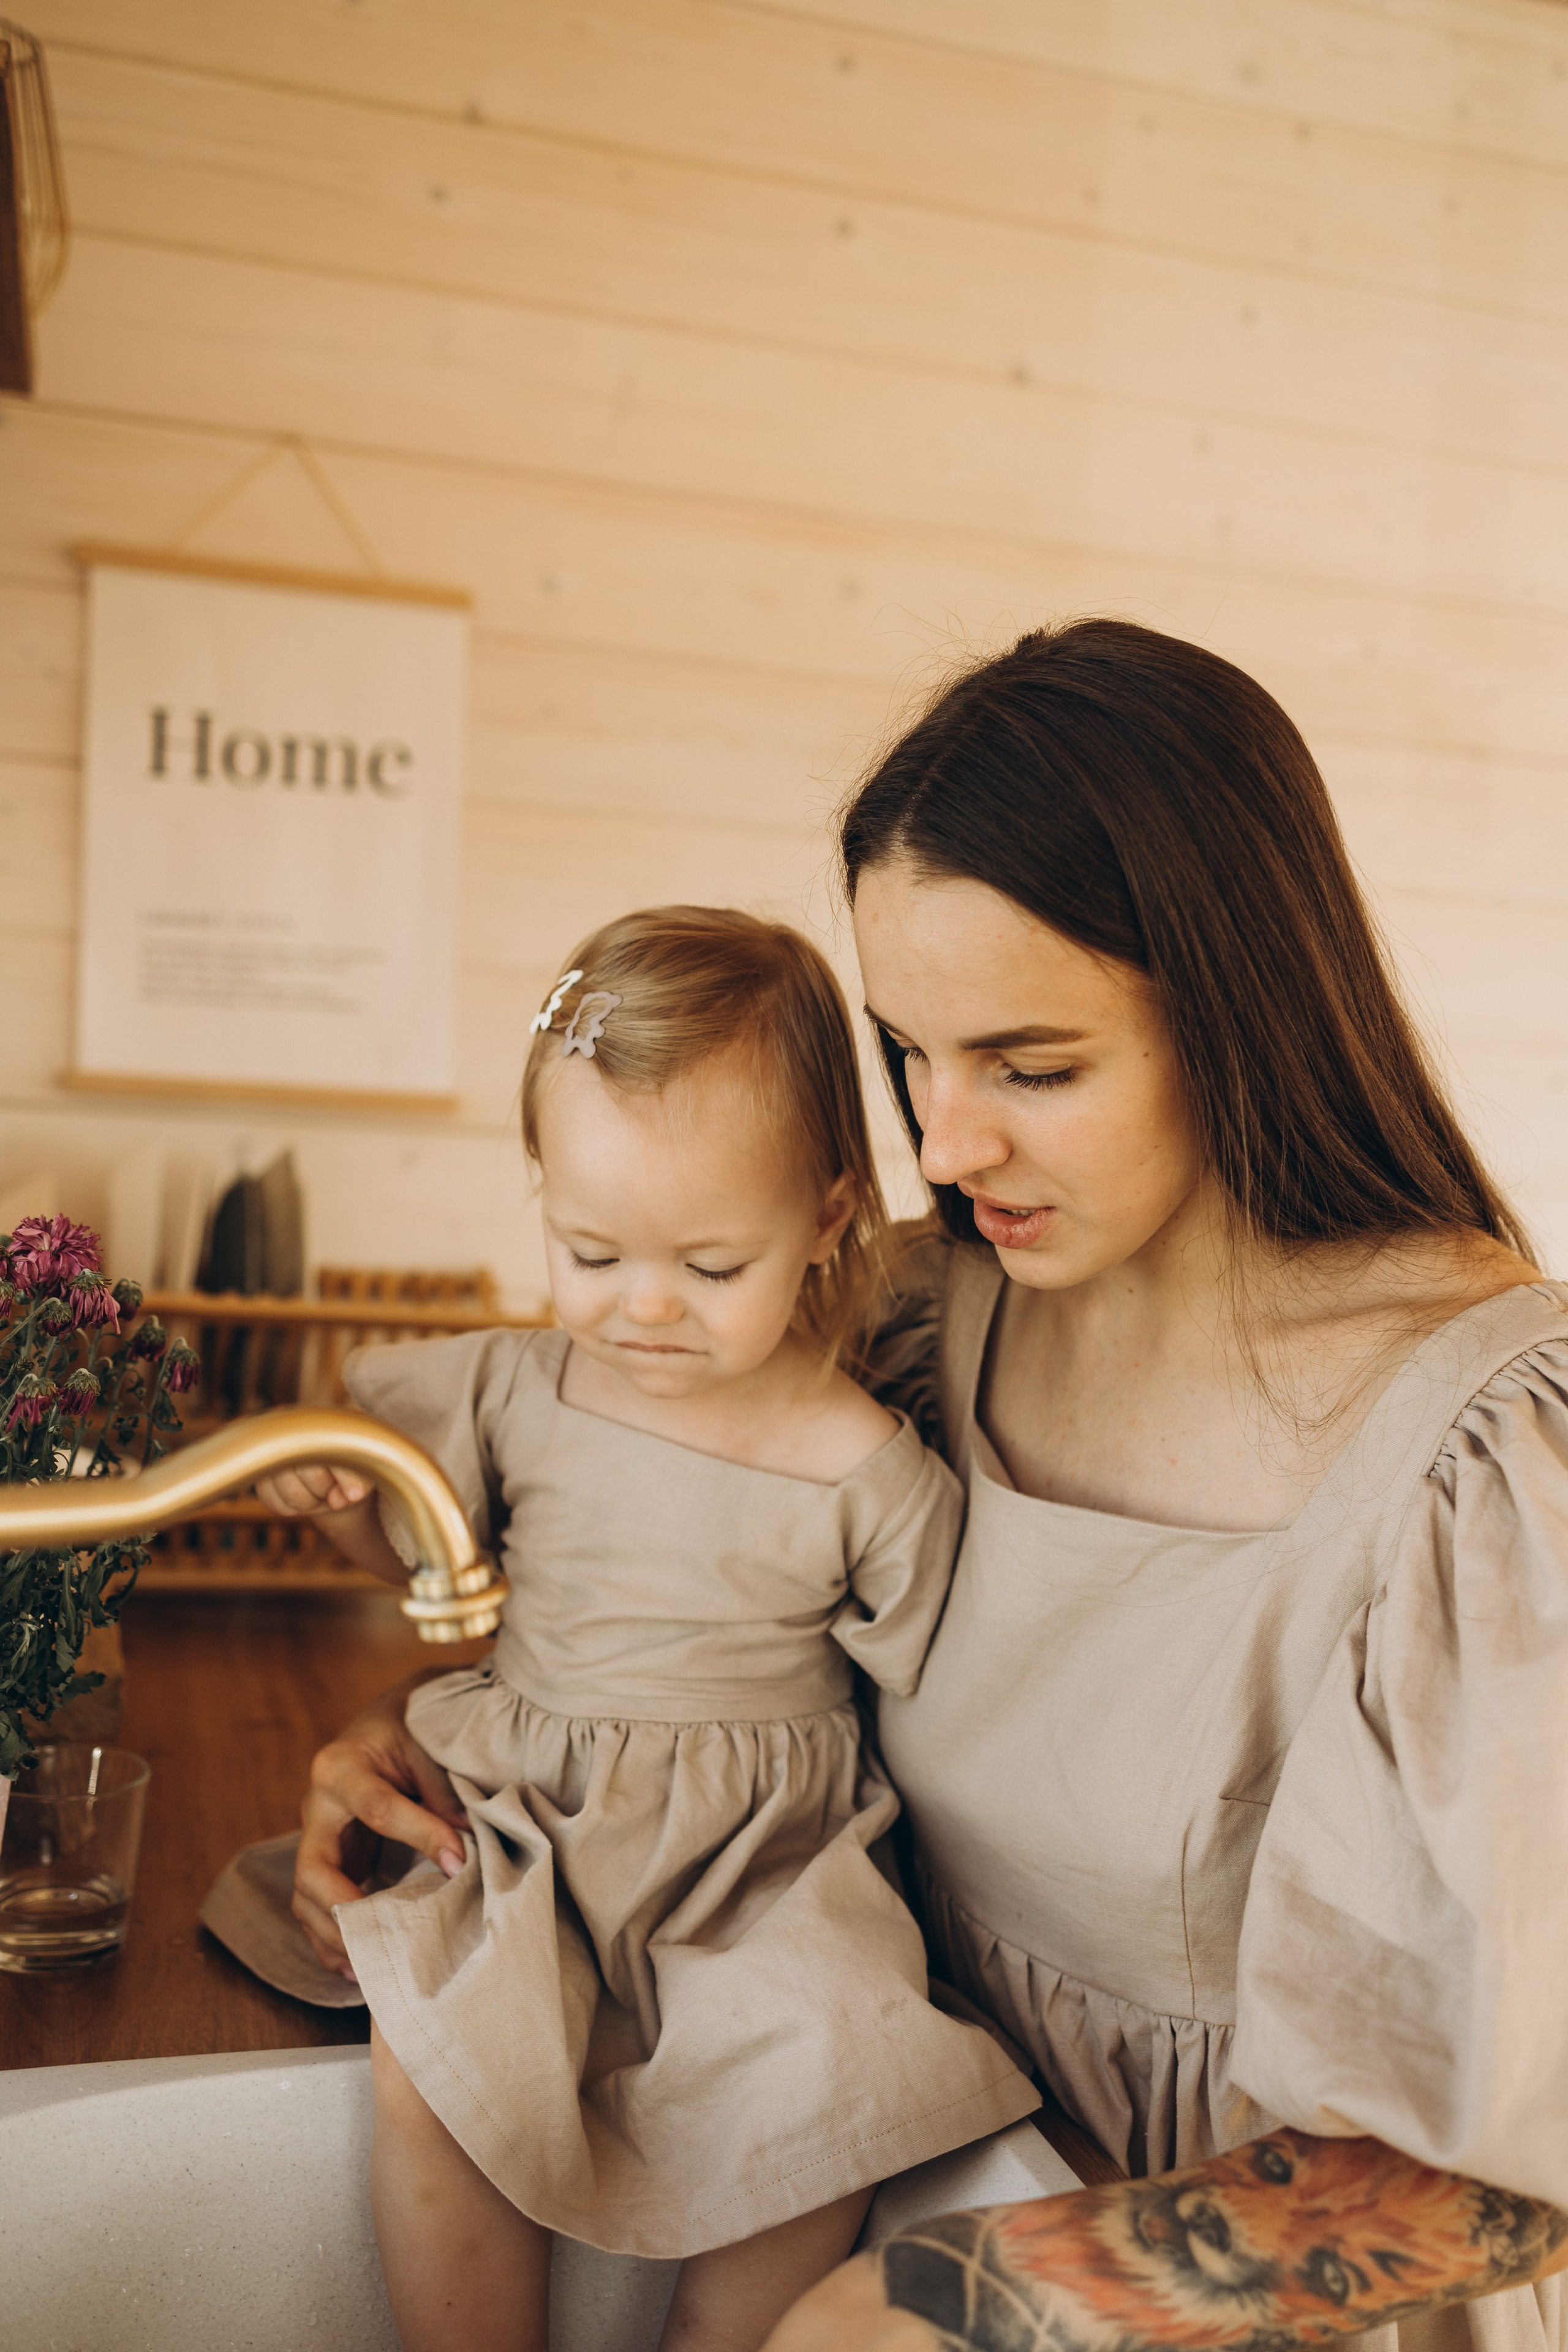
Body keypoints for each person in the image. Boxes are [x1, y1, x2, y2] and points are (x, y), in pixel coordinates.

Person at [297, 625, 1568, 2352]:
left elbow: (1507, 2183)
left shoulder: (1488, 1450)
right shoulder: (907, 1311)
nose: (946, 1143)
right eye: (909, 1051)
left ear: (1245, 1012)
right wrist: (431, 1750)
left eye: (1032, 1066)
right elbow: (712, 1643)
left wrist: (953, 2301)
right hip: (876, 2169)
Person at [259, 907, 1037, 2352]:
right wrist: (337, 1508)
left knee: (829, 2080)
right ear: (542, 1190)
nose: (643, 1308)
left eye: (708, 1265)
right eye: (590, 1250)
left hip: (760, 1862)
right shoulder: (513, 1388)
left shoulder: (856, 1461)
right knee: (432, 2059)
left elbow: (948, 1675)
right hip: (524, 1821)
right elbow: (416, 1547)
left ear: (823, 1218)